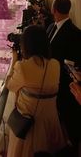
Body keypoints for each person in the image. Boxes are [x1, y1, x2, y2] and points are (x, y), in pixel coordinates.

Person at [6, 25, 66, 157]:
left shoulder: (22, 67)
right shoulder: (55, 64)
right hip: (51, 122)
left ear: (26, 45)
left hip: (29, 126)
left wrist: (15, 60)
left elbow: (10, 85)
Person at [47, 0, 81, 154]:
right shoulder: (50, 28)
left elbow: (74, 63)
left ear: (54, 10)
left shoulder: (75, 33)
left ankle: (72, 148)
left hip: (66, 88)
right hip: (51, 84)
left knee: (69, 121)